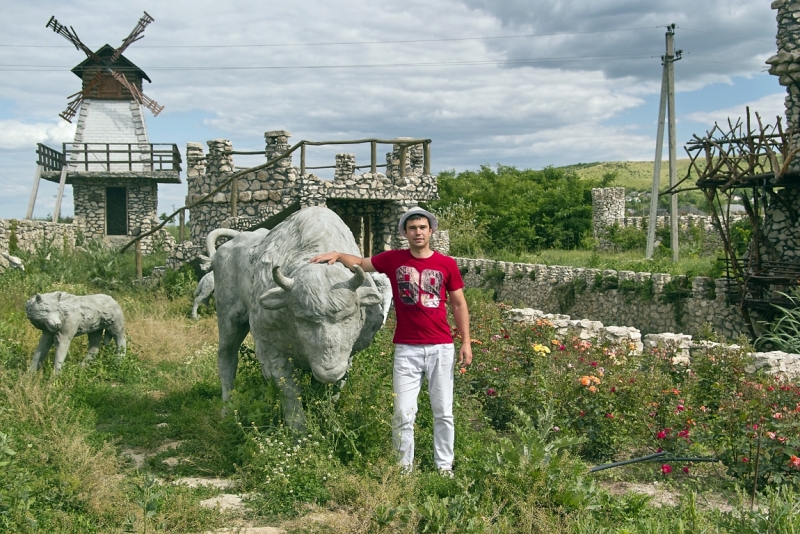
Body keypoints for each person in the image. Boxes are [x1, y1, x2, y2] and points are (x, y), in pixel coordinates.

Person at [310, 207, 472, 475]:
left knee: (443, 411)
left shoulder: (447, 264)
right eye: (412, 228)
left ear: (431, 231)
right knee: (403, 413)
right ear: (405, 233)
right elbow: (361, 263)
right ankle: (403, 469)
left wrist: (466, 341)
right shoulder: (394, 260)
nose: (418, 232)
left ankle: (444, 467)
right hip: (407, 348)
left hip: (441, 347)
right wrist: (338, 256)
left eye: (422, 227)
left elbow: (458, 304)